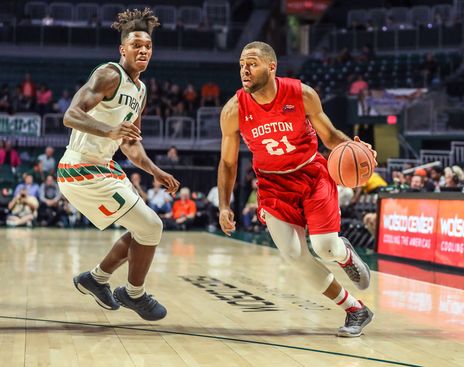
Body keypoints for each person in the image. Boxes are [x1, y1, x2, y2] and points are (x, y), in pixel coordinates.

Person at [217, 41, 377, 337]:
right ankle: (356, 310)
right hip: (273, 185)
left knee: (324, 248)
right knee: (293, 255)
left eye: (251, 64)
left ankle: (343, 254)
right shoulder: (233, 109)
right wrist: (224, 205)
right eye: (241, 64)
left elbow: (329, 136)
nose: (245, 70)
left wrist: (354, 148)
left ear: (271, 66)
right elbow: (228, 163)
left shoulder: (301, 94)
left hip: (311, 175)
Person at [59, 8, 179, 321]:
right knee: (151, 226)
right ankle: (133, 294)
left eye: (148, 46)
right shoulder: (109, 74)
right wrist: (110, 130)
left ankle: (96, 279)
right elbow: (70, 115)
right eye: (137, 45)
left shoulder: (140, 91)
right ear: (122, 49)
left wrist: (154, 170)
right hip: (80, 169)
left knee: (143, 230)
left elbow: (130, 143)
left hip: (104, 167)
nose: (143, 50)